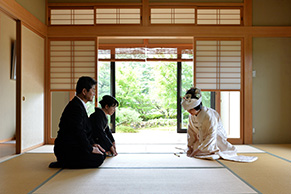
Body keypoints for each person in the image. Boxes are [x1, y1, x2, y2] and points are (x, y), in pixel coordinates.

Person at [181, 87, 257, 162]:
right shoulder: (191, 116)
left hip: (216, 136)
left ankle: (206, 148)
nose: (189, 112)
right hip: (202, 137)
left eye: (191, 109)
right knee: (196, 150)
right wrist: (189, 147)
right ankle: (203, 148)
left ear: (197, 106)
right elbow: (191, 132)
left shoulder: (208, 115)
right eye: (188, 109)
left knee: (207, 151)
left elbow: (212, 134)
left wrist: (197, 151)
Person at [49, 76, 106, 168]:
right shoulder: (75, 107)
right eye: (93, 90)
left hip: (74, 145)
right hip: (67, 148)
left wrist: (93, 144)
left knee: (101, 153)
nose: (94, 93)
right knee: (99, 158)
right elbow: (78, 132)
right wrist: (90, 148)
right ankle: (64, 162)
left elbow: (86, 130)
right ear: (84, 91)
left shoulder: (79, 105)